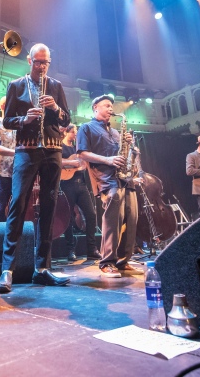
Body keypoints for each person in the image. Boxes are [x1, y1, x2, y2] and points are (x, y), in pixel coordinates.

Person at [0, 44, 71, 294]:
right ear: (29, 60)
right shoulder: (16, 85)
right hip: (26, 151)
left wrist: (55, 109)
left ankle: (42, 269)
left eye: (45, 62)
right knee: (17, 205)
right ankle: (7, 270)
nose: (41, 66)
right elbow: (6, 121)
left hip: (52, 151)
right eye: (37, 62)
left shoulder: (57, 86)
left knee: (49, 207)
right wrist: (24, 120)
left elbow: (67, 120)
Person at [76, 96, 139, 279]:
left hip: (125, 179)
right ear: (95, 107)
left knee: (132, 217)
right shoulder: (86, 128)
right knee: (113, 220)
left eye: (112, 106)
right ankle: (107, 262)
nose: (111, 108)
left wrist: (130, 145)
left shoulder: (116, 132)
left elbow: (126, 156)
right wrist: (108, 160)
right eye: (107, 105)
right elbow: (82, 154)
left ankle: (122, 260)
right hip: (106, 178)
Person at [60, 124, 100, 261]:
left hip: (82, 186)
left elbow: (84, 163)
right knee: (68, 218)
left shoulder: (78, 149)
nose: (75, 134)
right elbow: (57, 162)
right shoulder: (60, 147)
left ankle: (92, 249)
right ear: (66, 132)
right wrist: (73, 164)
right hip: (66, 185)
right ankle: (70, 249)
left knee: (91, 214)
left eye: (76, 132)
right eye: (73, 132)